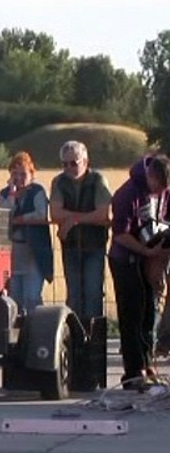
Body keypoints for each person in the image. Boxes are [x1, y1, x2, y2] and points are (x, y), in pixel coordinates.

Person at [108, 155, 170, 388]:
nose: (160, 192)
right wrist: (146, 251)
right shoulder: (127, 194)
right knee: (132, 315)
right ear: (150, 176)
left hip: (150, 256)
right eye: (157, 187)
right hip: (126, 259)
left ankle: (148, 364)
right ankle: (133, 373)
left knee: (149, 314)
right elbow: (120, 234)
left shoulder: (165, 190)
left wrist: (159, 255)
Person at [50, 140, 112, 324]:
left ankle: (94, 344)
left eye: (73, 163)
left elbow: (103, 213)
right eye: (65, 164)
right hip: (70, 246)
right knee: (74, 295)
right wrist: (84, 217)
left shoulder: (98, 180)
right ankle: (75, 341)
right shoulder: (59, 182)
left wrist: (73, 220)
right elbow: (55, 213)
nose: (69, 167)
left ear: (85, 161)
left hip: (94, 245)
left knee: (93, 293)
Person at [0, 152, 53, 314]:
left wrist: (20, 218)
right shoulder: (5, 194)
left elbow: (40, 214)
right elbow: (4, 214)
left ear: (32, 174)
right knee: (15, 297)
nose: (19, 178)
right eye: (15, 174)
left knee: (32, 296)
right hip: (13, 251)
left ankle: (38, 328)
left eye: (23, 174)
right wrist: (12, 195)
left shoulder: (37, 191)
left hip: (34, 250)